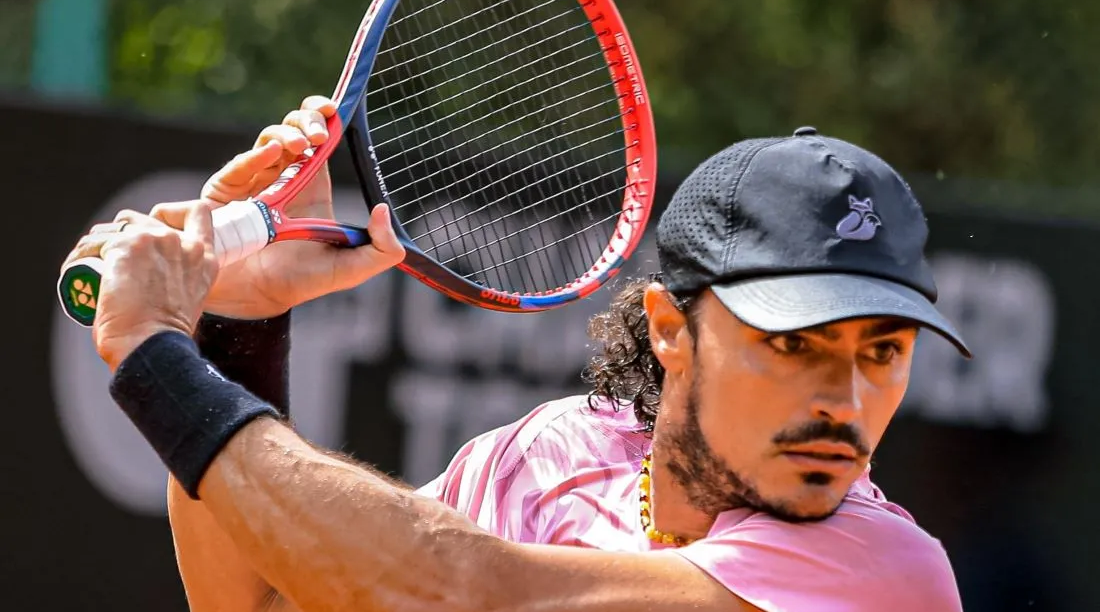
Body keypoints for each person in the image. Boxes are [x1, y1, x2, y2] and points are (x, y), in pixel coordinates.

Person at [65, 96, 969, 612]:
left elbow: (455, 596)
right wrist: (238, 318)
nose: (845, 400)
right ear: (669, 329)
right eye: (796, 341)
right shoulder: (550, 457)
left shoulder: (882, 573)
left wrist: (156, 354)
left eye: (882, 351)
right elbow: (265, 602)